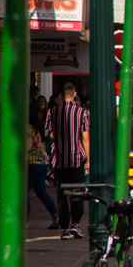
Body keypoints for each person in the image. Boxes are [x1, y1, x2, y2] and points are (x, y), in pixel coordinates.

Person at [45, 83, 90, 240]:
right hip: (77, 158)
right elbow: (85, 138)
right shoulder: (81, 112)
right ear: (74, 93)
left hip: (59, 160)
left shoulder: (53, 112)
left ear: (62, 95)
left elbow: (49, 135)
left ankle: (65, 226)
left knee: (62, 194)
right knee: (77, 192)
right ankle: (75, 225)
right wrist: (88, 161)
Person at [27, 118, 58, 228]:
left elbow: (28, 146)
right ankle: (55, 215)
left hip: (33, 163)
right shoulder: (32, 128)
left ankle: (23, 219)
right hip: (40, 163)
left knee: (25, 192)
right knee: (40, 192)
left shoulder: (26, 128)